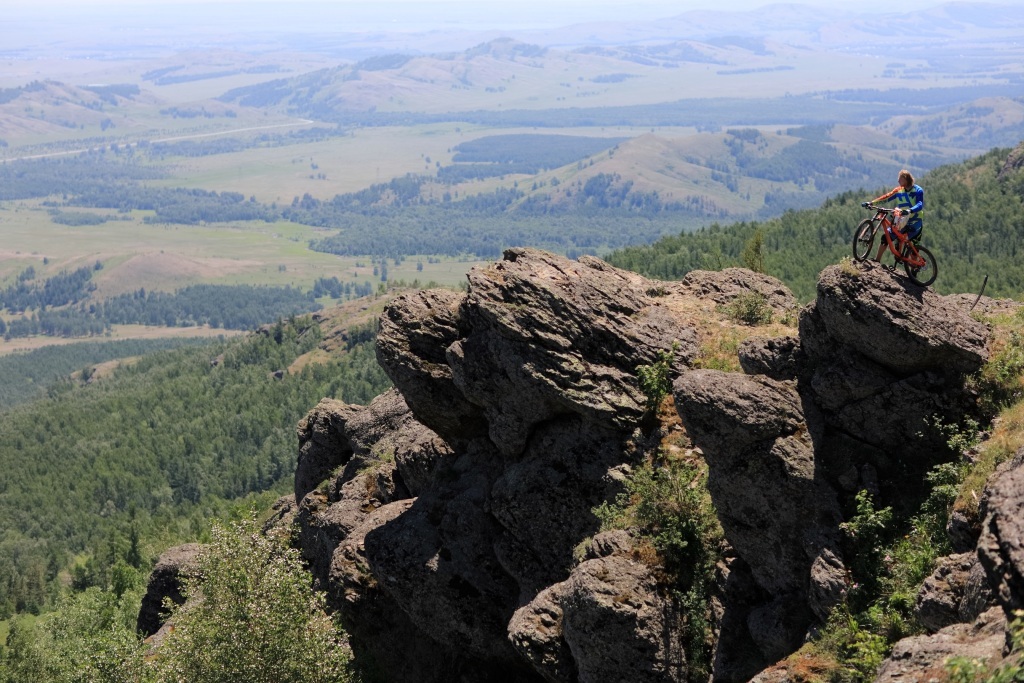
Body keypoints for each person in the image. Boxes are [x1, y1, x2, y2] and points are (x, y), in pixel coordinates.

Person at [868, 169, 924, 262]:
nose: (898, 181)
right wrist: (872, 202)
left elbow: (920, 204)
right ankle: (877, 260)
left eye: (900, 179)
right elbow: (886, 197)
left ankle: (914, 270)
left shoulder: (918, 190)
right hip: (901, 221)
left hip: (915, 222)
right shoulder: (898, 190)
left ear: (906, 179)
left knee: (913, 247)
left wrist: (910, 210)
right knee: (886, 237)